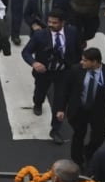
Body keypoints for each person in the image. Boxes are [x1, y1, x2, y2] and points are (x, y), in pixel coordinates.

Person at [56, 48, 105, 166]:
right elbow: (66, 90)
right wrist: (61, 109)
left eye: (85, 60)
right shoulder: (76, 70)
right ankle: (77, 160)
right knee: (78, 135)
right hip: (79, 109)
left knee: (99, 136)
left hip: (98, 111)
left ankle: (88, 151)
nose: (81, 62)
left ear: (95, 62)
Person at [22, 10, 81, 140]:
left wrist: (77, 68)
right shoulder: (40, 35)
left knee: (60, 100)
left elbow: (78, 51)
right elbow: (26, 52)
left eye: (55, 22)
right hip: (44, 72)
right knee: (40, 92)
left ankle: (55, 130)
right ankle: (38, 103)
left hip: (63, 72)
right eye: (49, 22)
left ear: (63, 22)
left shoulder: (72, 32)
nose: (51, 25)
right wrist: (34, 63)